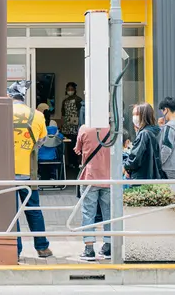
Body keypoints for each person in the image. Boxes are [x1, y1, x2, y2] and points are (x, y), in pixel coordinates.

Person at [9, 80, 54, 259]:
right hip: (29, 171)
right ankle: (42, 247)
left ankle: (16, 250)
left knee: (12, 212)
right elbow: (42, 141)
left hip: (7, 172)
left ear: (9, 96)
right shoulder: (37, 115)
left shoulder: (3, 113)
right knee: (33, 209)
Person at [74, 123, 112, 261]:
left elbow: (77, 150)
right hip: (109, 178)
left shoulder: (84, 128)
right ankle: (109, 246)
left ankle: (89, 249)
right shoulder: (112, 128)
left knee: (88, 213)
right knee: (109, 213)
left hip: (90, 177)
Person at [124, 103, 163, 180]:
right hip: (154, 176)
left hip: (141, 176)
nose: (134, 117)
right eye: (133, 114)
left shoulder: (144, 134)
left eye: (137, 114)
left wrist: (127, 167)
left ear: (144, 116)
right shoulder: (157, 132)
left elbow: (135, 158)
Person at [61, 82, 82, 168]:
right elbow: (63, 114)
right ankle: (68, 163)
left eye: (71, 89)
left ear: (75, 90)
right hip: (66, 127)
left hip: (75, 127)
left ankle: (75, 163)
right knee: (67, 147)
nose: (70, 91)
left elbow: (81, 113)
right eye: (68, 89)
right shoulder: (64, 101)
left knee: (74, 146)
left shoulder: (78, 100)